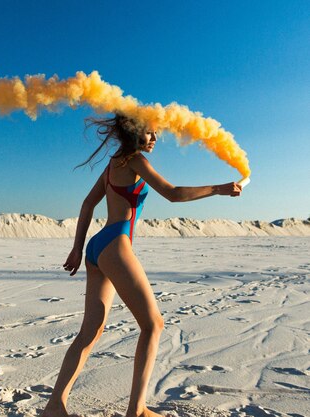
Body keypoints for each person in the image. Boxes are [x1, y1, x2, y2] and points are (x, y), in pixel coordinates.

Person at [40, 113, 242, 417]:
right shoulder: (134, 161)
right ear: (134, 133)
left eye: (157, 133)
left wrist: (79, 249)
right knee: (153, 324)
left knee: (90, 332)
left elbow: (87, 203)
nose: (156, 138)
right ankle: (136, 410)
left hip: (99, 247)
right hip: (116, 244)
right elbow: (172, 194)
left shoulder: (114, 163)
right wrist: (218, 189)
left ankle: (55, 406)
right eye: (150, 133)